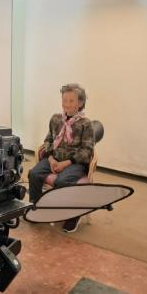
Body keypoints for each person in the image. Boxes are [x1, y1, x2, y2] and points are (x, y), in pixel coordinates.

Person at [28, 83, 94, 233]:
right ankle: (37, 206)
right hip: (54, 158)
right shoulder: (56, 119)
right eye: (64, 100)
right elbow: (48, 140)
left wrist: (66, 163)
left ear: (80, 103)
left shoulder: (86, 124)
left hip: (74, 163)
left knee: (62, 181)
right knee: (34, 173)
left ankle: (72, 215)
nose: (67, 104)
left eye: (71, 101)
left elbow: (87, 151)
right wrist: (51, 159)